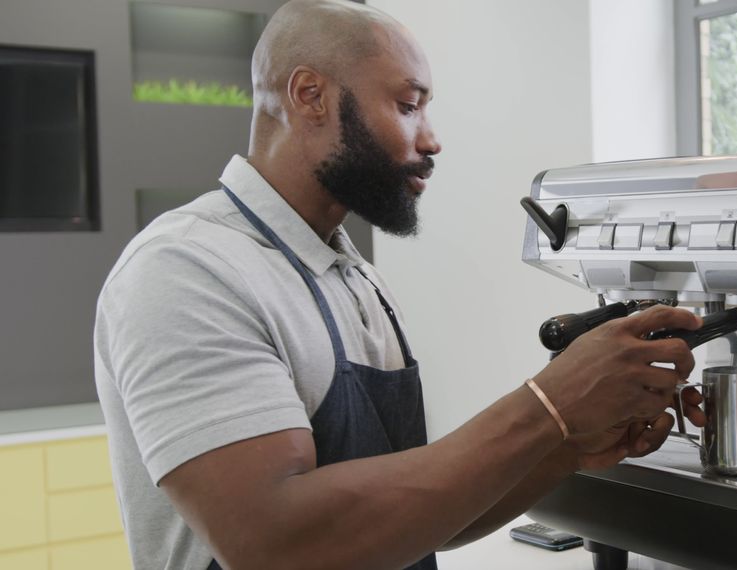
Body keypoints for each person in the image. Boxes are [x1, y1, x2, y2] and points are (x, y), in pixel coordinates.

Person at [93, 1, 704, 569]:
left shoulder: (355, 278)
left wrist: (573, 443)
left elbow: (414, 517)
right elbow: (273, 543)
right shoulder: (187, 270)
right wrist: (550, 404)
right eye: (409, 105)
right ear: (310, 96)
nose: (432, 139)